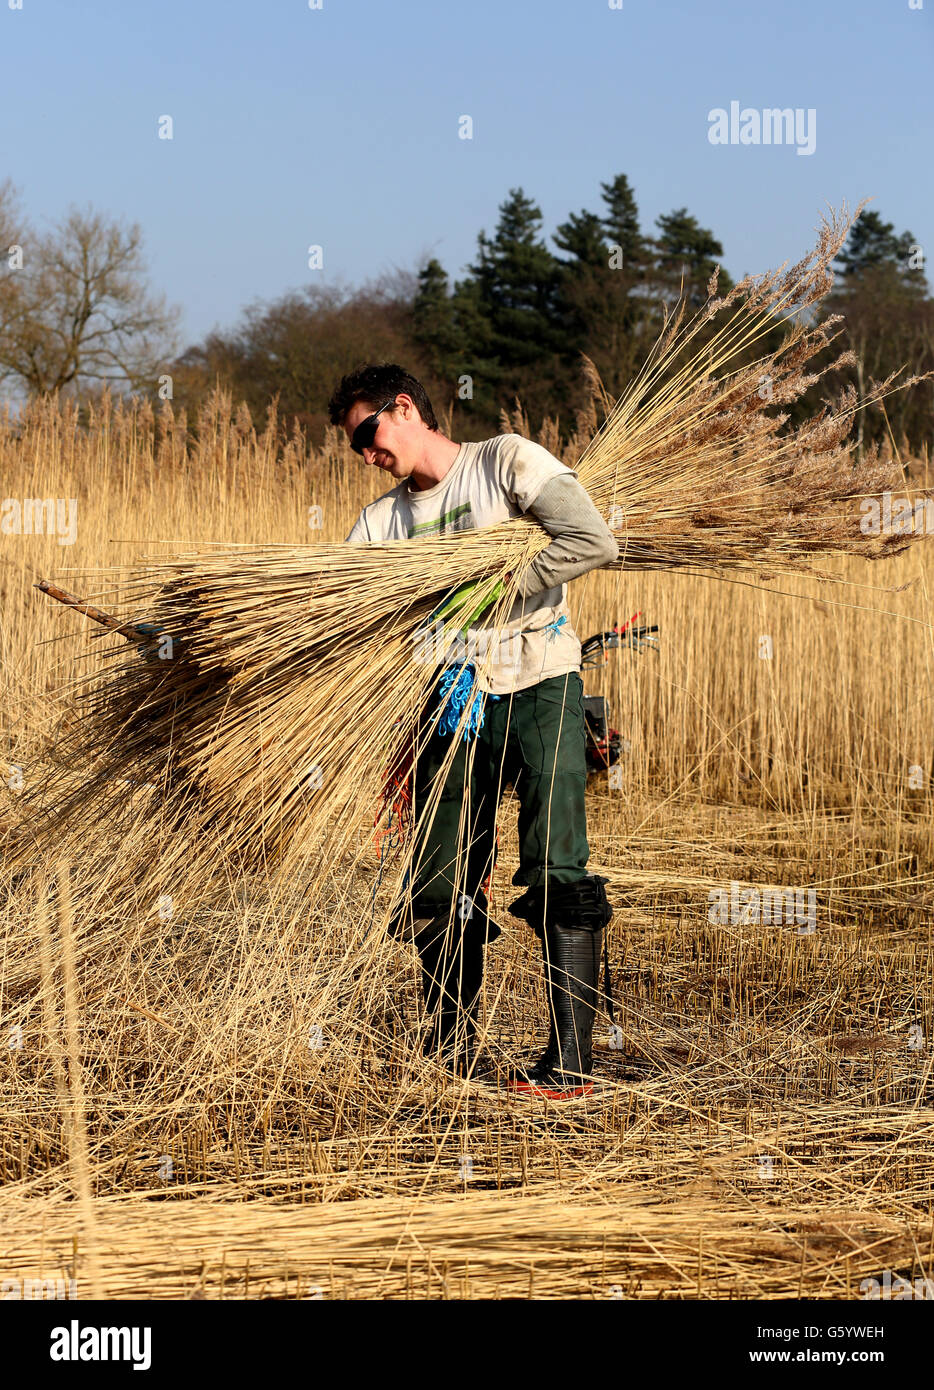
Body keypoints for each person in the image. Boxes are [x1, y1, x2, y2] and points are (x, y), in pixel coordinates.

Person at [331, 363, 618, 1099]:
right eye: (355, 447)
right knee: (440, 877)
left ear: (404, 409)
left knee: (558, 864)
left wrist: (493, 591)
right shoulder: (381, 525)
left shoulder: (505, 462)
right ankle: (449, 1047)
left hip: (538, 681)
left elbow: (592, 539)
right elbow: (338, 621)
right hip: (447, 702)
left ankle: (571, 1063)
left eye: (368, 433)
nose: (366, 454)